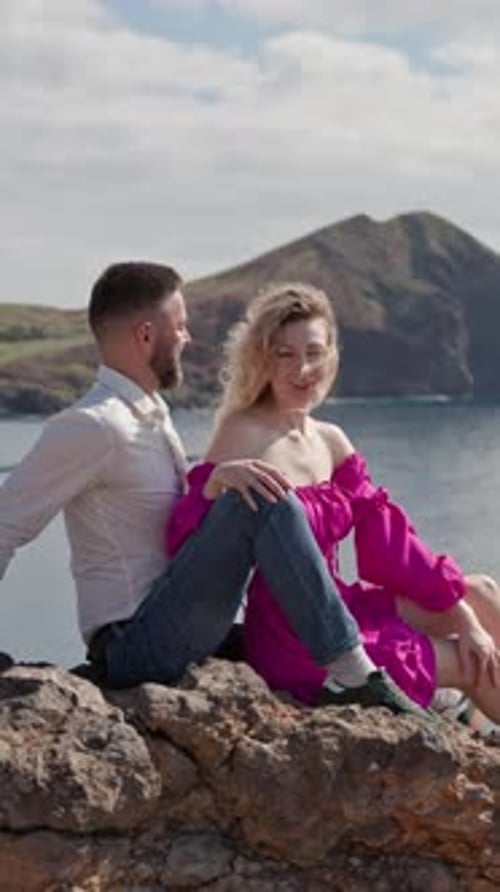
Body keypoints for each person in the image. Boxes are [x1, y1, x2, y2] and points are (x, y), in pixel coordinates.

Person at [0, 262, 427, 716]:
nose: (186, 338)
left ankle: (412, 689)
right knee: (265, 498)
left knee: (298, 647)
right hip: (136, 642)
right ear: (146, 336)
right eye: (179, 326)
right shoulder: (93, 425)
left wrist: (216, 486)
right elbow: (6, 522)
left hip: (185, 620)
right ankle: (354, 673)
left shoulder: (150, 414)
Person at [166, 282, 500, 723]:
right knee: (468, 661)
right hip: (297, 635)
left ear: (331, 355)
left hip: (343, 603)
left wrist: (469, 622)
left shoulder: (331, 440)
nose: (302, 369)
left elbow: (393, 551)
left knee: (482, 593)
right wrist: (212, 489)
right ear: (261, 358)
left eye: (313, 352)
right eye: (284, 354)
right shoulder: (243, 433)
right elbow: (192, 544)